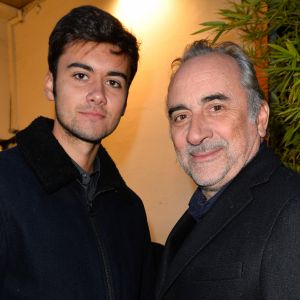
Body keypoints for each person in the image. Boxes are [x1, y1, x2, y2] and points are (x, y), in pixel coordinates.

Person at [0, 5, 155, 300]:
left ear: (124, 102)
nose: (98, 94)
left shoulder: (130, 209)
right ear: (50, 84)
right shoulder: (5, 184)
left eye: (113, 82)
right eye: (81, 75)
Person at [156, 40, 300, 299]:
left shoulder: (292, 212)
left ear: (260, 118)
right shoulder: (198, 214)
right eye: (181, 116)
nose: (195, 134)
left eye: (216, 108)